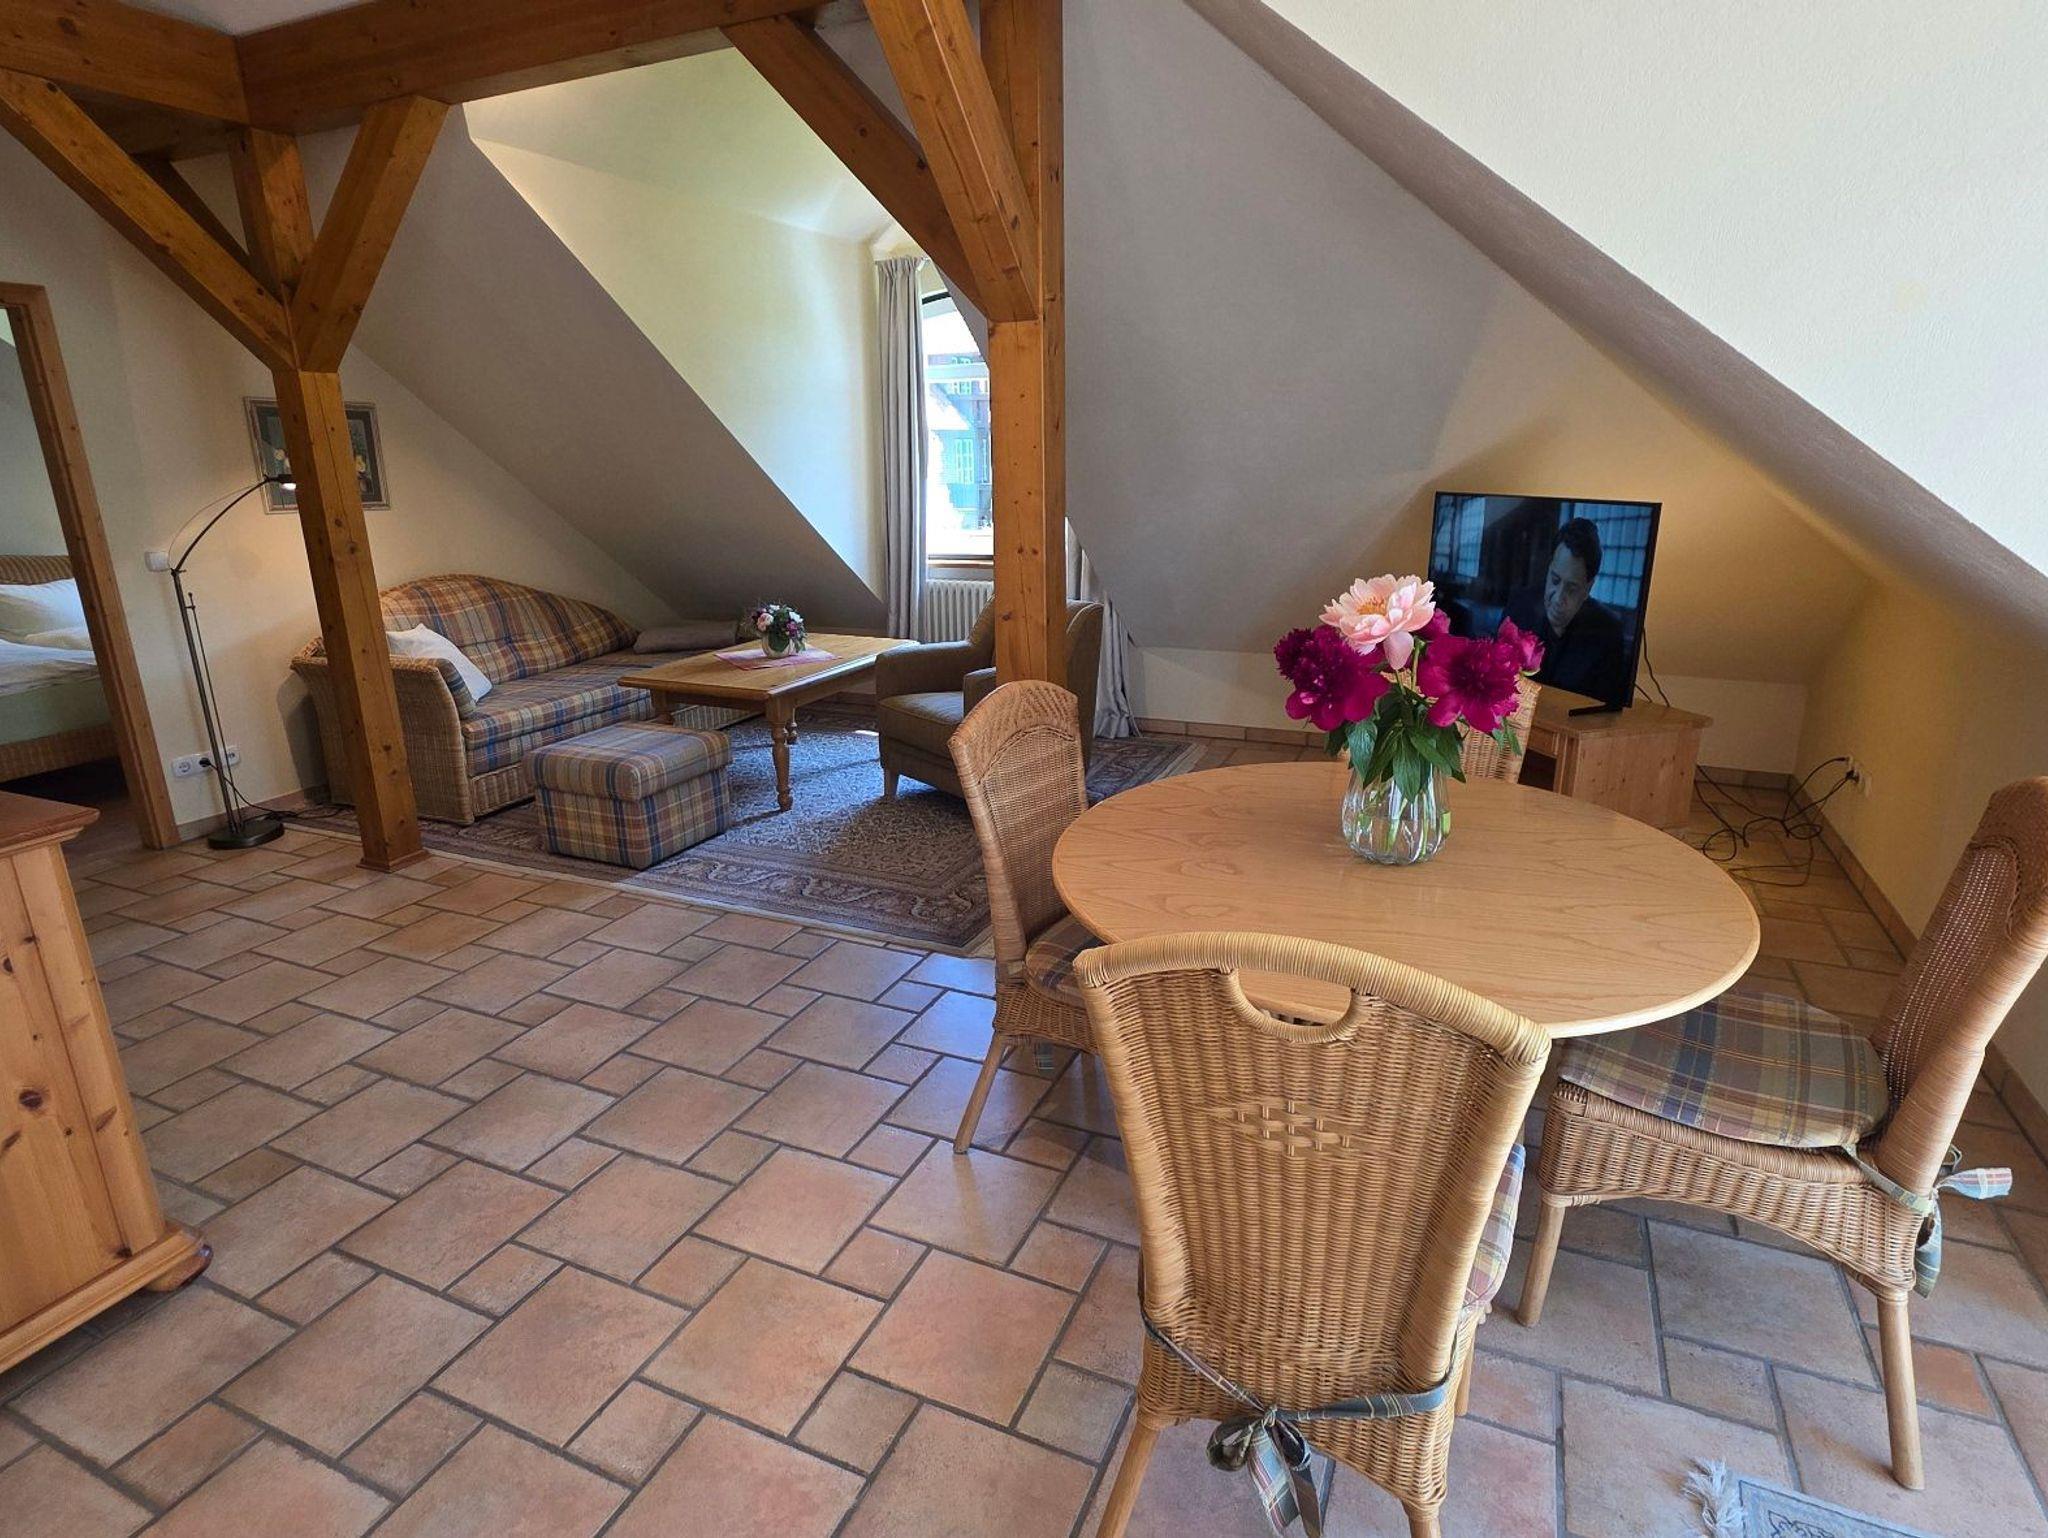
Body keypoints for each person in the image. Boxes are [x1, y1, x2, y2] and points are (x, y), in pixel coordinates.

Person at [1505, 518, 1630, 706]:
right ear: (1549, 568)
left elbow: (1607, 710)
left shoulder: (1608, 633)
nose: (1558, 598)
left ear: (1588, 588)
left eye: (1571, 588)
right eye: (1555, 580)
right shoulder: (1519, 607)